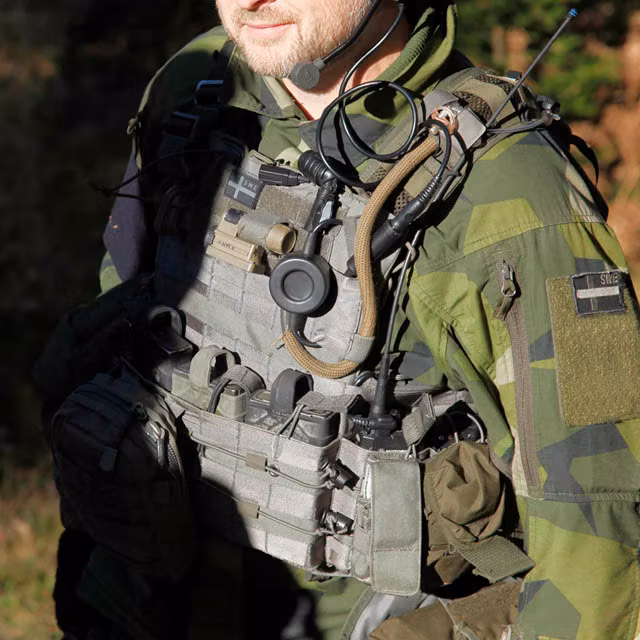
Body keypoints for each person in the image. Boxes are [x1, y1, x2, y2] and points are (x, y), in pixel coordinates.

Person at [35, 1, 640, 639]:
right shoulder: (197, 88)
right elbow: (119, 331)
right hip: (154, 603)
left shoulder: (512, 193)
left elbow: (598, 545)